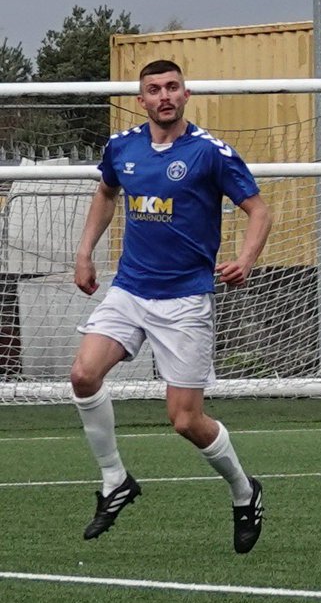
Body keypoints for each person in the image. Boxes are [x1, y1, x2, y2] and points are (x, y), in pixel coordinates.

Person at [71, 59, 272, 553]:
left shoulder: (209, 153)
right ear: (141, 99)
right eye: (153, 89)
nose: (164, 95)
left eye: (172, 87)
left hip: (184, 300)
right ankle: (115, 479)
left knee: (185, 420)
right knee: (82, 375)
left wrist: (245, 258)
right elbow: (105, 192)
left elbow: (259, 209)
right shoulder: (122, 147)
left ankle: (245, 492)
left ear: (186, 94)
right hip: (131, 290)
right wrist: (84, 252)